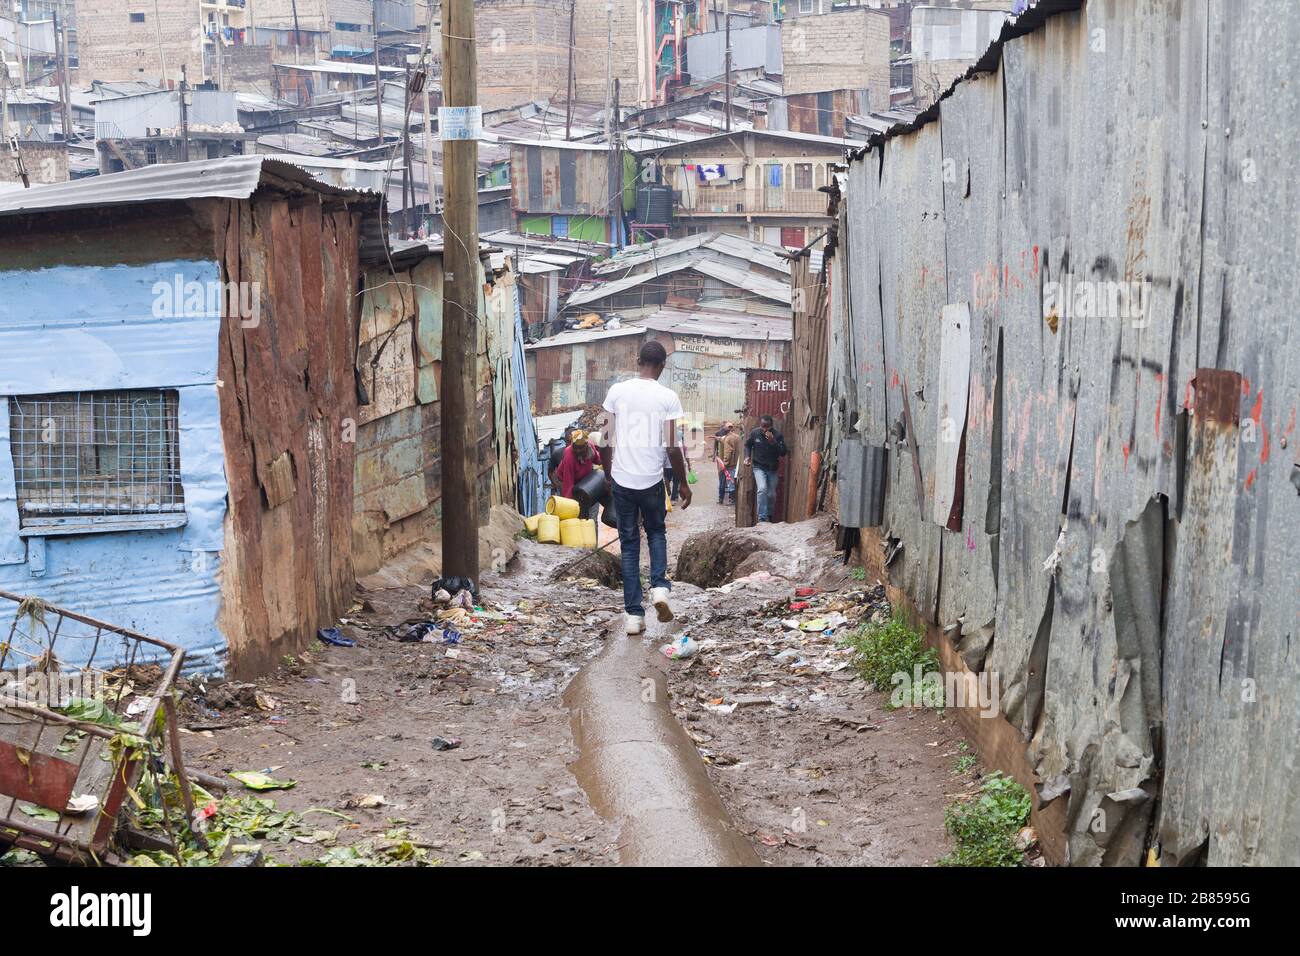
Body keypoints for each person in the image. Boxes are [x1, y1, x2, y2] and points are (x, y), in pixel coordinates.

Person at [603, 340, 691, 635]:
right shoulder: (667, 397)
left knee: (628, 546)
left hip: (623, 481)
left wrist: (608, 475)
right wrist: (685, 485)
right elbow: (672, 447)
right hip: (652, 482)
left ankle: (633, 618)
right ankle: (660, 589)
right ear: (662, 366)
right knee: (656, 532)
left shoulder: (617, 391)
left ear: (637, 360)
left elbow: (606, 439)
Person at [744, 414, 787, 523]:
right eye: (762, 426)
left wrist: (773, 442)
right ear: (760, 425)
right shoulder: (755, 433)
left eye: (767, 427)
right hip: (758, 467)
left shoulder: (778, 435)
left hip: (772, 469)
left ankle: (770, 515)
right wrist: (747, 456)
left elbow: (783, 452)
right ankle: (762, 518)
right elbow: (747, 445)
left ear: (771, 426)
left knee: (771, 494)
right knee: (762, 489)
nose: (764, 429)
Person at [554, 429, 602, 519]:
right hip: (566, 480)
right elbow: (568, 485)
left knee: (590, 515)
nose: (578, 450)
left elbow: (598, 459)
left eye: (581, 448)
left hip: (584, 480)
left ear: (586, 445)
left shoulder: (591, 448)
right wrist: (569, 507)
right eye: (575, 447)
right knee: (577, 513)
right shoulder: (569, 457)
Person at [663, 423, 690, 502]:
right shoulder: (681, 445)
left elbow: (663, 457)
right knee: (676, 482)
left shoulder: (665, 443)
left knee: (668, 480)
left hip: (667, 466)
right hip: (676, 466)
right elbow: (685, 455)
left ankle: (669, 496)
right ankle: (673, 498)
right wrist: (687, 465)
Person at [715, 421, 741, 505]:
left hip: (728, 464)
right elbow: (723, 439)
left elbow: (728, 452)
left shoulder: (728, 439)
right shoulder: (736, 437)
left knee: (727, 482)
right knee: (732, 481)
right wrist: (716, 438)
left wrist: (725, 463)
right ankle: (729, 499)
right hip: (735, 463)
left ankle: (727, 500)